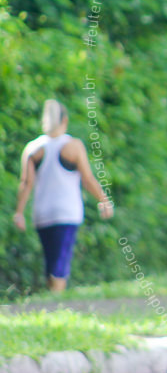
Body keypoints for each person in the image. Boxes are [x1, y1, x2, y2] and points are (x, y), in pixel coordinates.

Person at [12, 100, 114, 292]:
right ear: (65, 120)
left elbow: (26, 183)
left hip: (42, 213)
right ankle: (56, 301)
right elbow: (88, 179)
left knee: (51, 257)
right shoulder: (73, 146)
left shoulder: (32, 149)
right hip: (67, 212)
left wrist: (19, 212)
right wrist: (104, 200)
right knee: (61, 260)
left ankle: (53, 299)